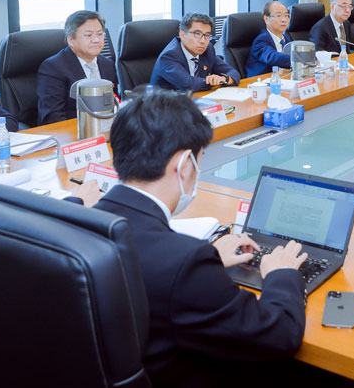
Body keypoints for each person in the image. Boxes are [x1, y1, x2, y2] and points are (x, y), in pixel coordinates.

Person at [94, 90, 308, 385]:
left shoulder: (84, 221)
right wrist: (281, 274)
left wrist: (211, 258)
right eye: (199, 159)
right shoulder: (185, 262)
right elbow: (279, 336)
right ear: (184, 165)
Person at [37, 10, 118, 125]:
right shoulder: (53, 68)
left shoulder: (107, 64)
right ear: (71, 40)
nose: (96, 40)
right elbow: (53, 117)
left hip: (105, 128)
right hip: (73, 130)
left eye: (100, 34)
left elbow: (112, 103)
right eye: (88, 35)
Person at [150, 13, 240, 91]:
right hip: (168, 103)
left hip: (197, 99)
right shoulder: (168, 56)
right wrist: (213, 81)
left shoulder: (208, 50)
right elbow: (188, 84)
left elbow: (232, 72)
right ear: (182, 35)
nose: (203, 41)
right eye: (197, 34)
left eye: (207, 35)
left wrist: (224, 79)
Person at [246, 1, 293, 77]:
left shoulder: (286, 39)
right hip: (261, 81)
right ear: (266, 19)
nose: (284, 20)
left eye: (286, 15)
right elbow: (273, 57)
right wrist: (299, 60)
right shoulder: (261, 40)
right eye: (278, 16)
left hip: (283, 78)